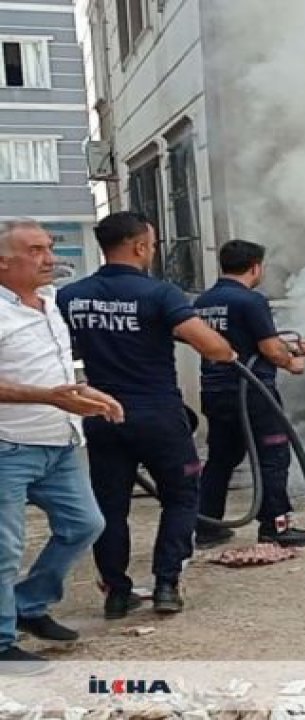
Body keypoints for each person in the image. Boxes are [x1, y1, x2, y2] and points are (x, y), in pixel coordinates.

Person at [57, 212, 234, 618]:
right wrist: (227, 349)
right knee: (181, 497)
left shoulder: (71, 297)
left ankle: (117, 593)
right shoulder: (160, 294)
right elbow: (214, 349)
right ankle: (167, 585)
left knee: (110, 506)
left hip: (101, 414)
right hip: (158, 415)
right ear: (139, 246)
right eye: (151, 244)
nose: (152, 251)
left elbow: (66, 349)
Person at [0, 219, 121, 672]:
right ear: (3, 262)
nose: (49, 258)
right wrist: (49, 396)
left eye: (49, 248)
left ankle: (29, 604)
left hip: (61, 441)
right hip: (9, 445)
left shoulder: (49, 304)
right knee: (4, 549)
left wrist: (82, 394)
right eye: (35, 250)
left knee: (85, 525)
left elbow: (54, 375)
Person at [193, 240, 305, 548]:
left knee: (221, 458)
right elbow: (269, 349)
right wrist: (293, 362)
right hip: (253, 392)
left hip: (216, 391)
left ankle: (207, 526)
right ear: (255, 267)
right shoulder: (251, 301)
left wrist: (291, 345)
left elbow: (245, 340)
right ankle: (275, 526)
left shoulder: (203, 302)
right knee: (273, 456)